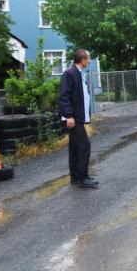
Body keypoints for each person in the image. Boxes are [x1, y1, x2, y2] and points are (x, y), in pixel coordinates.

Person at [59, 50, 98, 189]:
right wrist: (69, 115)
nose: (89, 61)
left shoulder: (80, 74)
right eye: (88, 59)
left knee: (75, 147)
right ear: (82, 59)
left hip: (78, 117)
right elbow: (64, 96)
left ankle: (75, 178)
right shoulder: (70, 73)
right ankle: (83, 178)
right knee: (83, 146)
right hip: (73, 118)